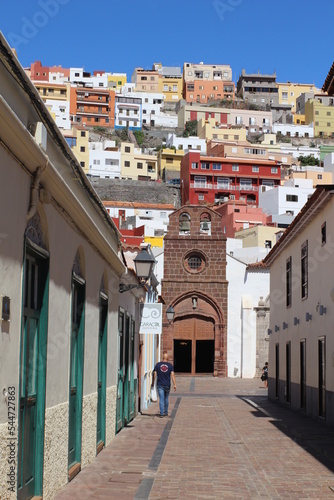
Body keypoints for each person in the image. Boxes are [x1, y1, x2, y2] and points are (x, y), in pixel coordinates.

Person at [152, 352, 176, 417]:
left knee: (161, 398)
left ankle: (161, 413)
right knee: (166, 398)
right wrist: (174, 384)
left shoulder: (158, 365)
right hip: (167, 384)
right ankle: (166, 412)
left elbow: (154, 374)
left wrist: (153, 382)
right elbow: (173, 375)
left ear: (162, 358)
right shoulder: (170, 366)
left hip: (160, 384)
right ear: (167, 358)